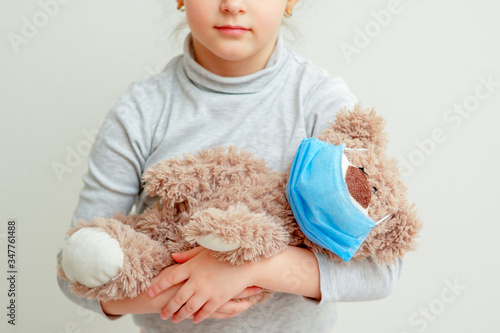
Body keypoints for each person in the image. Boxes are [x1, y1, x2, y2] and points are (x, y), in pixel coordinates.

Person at [57, 0, 403, 332]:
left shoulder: (321, 103)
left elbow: (380, 269)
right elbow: (73, 269)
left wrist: (251, 268)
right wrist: (187, 290)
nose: (232, 4)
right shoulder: (140, 111)